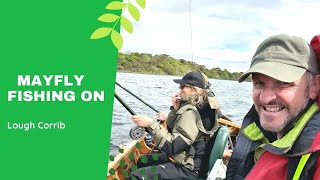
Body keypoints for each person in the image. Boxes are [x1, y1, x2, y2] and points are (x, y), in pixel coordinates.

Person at [226, 34, 320, 180]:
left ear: (315, 86)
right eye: (259, 83)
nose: (265, 98)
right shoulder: (259, 131)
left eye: (283, 83)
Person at [129, 71, 220, 180]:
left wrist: (150, 124)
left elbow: (172, 146)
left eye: (183, 87)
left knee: (136, 176)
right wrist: (175, 110)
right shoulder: (202, 106)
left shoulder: (191, 113)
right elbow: (176, 130)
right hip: (187, 158)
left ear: (194, 89)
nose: (180, 89)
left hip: (189, 169)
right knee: (142, 161)